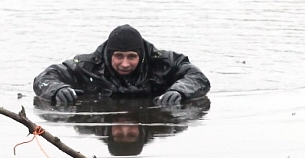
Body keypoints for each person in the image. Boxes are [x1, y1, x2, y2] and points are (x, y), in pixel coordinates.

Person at [33, 24, 210, 107]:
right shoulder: (88, 66)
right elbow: (45, 77)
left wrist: (180, 91)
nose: (125, 64)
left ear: (141, 56)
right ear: (109, 55)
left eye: (131, 57)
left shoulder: (162, 63)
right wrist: (57, 89)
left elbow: (197, 77)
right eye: (118, 56)